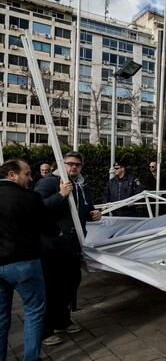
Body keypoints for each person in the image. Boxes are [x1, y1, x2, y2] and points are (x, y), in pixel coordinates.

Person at [34, 151, 102, 346]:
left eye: (77, 164)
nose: (73, 167)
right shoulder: (48, 182)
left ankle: (61, 320)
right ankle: (45, 330)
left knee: (71, 284)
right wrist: (61, 194)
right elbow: (38, 208)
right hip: (52, 246)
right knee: (51, 288)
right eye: (70, 163)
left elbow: (86, 209)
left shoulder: (82, 185)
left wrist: (94, 214)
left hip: (73, 245)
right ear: (61, 164)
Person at [1, 159, 60, 361]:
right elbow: (49, 228)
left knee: (1, 317)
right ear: (11, 174)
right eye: (26, 173)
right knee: (34, 311)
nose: (31, 178)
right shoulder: (30, 198)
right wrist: (58, 232)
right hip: (25, 263)